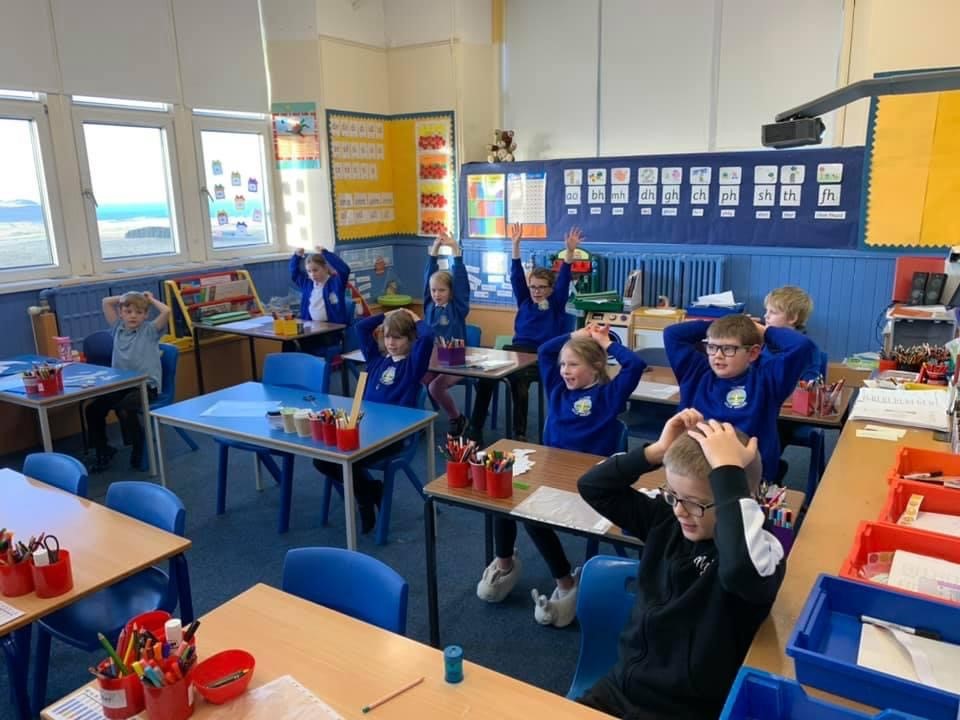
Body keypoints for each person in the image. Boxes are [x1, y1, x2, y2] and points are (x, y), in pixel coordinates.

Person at [577, 412, 784, 719]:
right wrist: (657, 451)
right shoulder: (666, 521)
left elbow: (739, 570)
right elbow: (593, 487)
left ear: (739, 498)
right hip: (620, 690)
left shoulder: (761, 553)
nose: (679, 511)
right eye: (673, 495)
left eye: (694, 502)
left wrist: (728, 470)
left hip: (688, 710)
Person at [476, 323, 646, 627]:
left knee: (532, 517)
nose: (565, 371)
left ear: (596, 367)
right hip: (552, 474)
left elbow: (635, 364)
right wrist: (574, 336)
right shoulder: (557, 389)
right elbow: (545, 351)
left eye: (574, 365)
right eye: (563, 364)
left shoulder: (610, 395)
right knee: (503, 496)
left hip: (593, 486)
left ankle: (566, 583)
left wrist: (606, 343)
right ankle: (504, 563)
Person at [311, 309, 434, 533]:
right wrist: (386, 315)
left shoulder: (412, 367)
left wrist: (415, 319)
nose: (391, 343)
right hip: (366, 430)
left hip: (393, 436)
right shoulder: (376, 361)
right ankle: (370, 491)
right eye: (387, 337)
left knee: (350, 459)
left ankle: (364, 498)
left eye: (398, 337)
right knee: (321, 459)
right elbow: (361, 327)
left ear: (410, 338)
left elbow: (427, 337)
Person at [663, 313, 815, 483]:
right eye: (712, 347)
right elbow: (672, 334)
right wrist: (724, 321)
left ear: (753, 353)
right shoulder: (696, 372)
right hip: (694, 469)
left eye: (728, 349)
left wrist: (762, 330)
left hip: (747, 474)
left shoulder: (767, 379)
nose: (717, 355)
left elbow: (802, 346)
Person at [467, 223, 580, 443]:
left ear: (550, 289)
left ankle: (519, 433)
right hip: (514, 351)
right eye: (533, 287)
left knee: (519, 382)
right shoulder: (525, 301)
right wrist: (515, 246)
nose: (536, 291)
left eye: (541, 287)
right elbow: (516, 276)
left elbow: (564, 279)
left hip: (540, 356)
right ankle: (475, 428)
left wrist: (569, 252)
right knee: (486, 377)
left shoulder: (555, 304)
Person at [85, 290, 170, 471]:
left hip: (145, 387)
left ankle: (139, 448)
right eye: (128, 311)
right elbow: (106, 301)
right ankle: (103, 450)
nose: (133, 316)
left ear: (146, 315)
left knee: (125, 409)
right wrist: (131, 297)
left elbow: (166, 311)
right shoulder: (117, 328)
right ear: (121, 313)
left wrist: (149, 299)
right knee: (93, 409)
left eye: (139, 312)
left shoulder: (149, 331)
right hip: (121, 385)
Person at [422, 231, 470, 436]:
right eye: (434, 291)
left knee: (435, 387)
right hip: (433, 359)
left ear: (451, 292)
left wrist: (455, 250)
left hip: (455, 360)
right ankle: (416, 421)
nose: (436, 294)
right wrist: (434, 250)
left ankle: (457, 418)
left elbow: (461, 283)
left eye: (442, 290)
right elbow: (427, 278)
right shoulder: (429, 306)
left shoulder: (457, 308)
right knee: (414, 377)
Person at [289, 245, 352, 353]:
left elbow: (344, 269)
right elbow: (294, 273)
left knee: (312, 345)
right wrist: (296, 256)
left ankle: (314, 362)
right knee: (290, 342)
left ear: (325, 268)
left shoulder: (335, 283)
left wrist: (325, 253)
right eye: (309, 271)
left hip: (331, 332)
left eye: (315, 270)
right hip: (311, 328)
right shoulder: (307, 283)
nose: (312, 274)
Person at [764, 285, 821, 381]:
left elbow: (807, 386)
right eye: (766, 310)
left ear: (792, 318)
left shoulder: (807, 349)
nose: (766, 316)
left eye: (773, 312)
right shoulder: (764, 344)